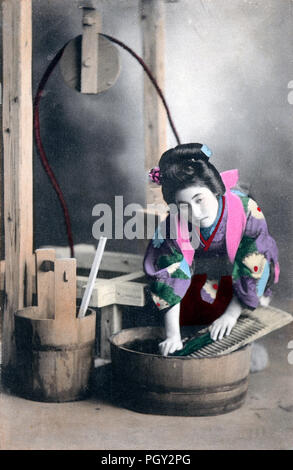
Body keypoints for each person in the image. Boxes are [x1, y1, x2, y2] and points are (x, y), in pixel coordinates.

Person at [143, 143, 279, 357]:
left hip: (240, 271)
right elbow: (170, 274)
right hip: (202, 272)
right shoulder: (173, 225)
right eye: (184, 205)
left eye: (200, 200)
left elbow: (255, 262)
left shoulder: (247, 211)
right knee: (195, 309)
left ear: (215, 190)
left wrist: (230, 316)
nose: (195, 212)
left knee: (246, 305)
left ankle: (245, 345)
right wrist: (172, 336)